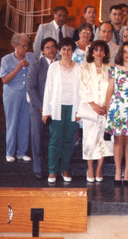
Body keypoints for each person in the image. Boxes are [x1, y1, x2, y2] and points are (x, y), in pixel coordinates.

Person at [42, 37, 81, 184]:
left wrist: (79, 112)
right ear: (60, 50)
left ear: (73, 51)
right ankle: (52, 171)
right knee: (55, 140)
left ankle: (65, 169)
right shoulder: (54, 67)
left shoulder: (79, 68)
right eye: (63, 49)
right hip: (56, 109)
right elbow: (48, 90)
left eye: (69, 49)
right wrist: (46, 111)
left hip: (72, 109)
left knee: (68, 140)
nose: (66, 52)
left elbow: (81, 91)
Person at [105, 42, 128, 184]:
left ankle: (127, 171)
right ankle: (117, 171)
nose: (127, 54)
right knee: (118, 139)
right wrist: (107, 108)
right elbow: (110, 89)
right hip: (117, 107)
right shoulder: (113, 69)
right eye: (125, 51)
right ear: (121, 53)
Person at [78, 40, 113, 183]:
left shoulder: (110, 68)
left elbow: (112, 89)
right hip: (90, 108)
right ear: (92, 52)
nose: (99, 53)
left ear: (105, 53)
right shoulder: (84, 68)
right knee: (90, 140)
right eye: (96, 50)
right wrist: (93, 105)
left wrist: (106, 106)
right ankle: (90, 168)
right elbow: (82, 88)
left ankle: (99, 168)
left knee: (104, 141)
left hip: (105, 109)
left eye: (101, 50)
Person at [0, 33, 36, 163]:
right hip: (12, 94)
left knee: (25, 123)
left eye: (27, 45)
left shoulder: (31, 57)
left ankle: (22, 152)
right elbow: (5, 79)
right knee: (12, 122)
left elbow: (36, 73)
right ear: (15, 46)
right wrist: (18, 67)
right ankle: (9, 152)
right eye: (23, 46)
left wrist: (29, 65)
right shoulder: (6, 59)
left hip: (27, 95)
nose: (26, 48)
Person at [27, 37, 57, 179]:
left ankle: (53, 168)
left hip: (55, 108)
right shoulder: (36, 66)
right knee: (37, 138)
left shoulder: (60, 65)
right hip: (38, 108)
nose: (51, 50)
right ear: (42, 51)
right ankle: (38, 168)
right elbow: (31, 89)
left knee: (55, 139)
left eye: (53, 47)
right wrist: (41, 107)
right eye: (47, 47)